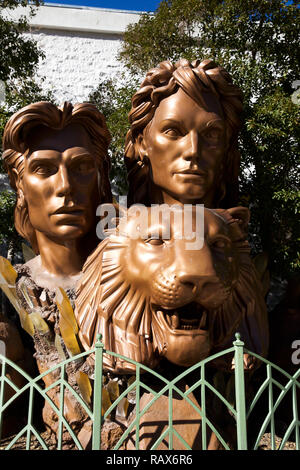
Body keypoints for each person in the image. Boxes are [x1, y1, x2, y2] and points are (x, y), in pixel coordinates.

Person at [2, 101, 111, 289]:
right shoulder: (10, 291)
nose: (65, 185)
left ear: (101, 176)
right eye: (44, 168)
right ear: (19, 182)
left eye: (82, 167)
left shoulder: (134, 279)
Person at [124, 58, 243, 208]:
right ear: (141, 143)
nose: (193, 151)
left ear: (226, 145)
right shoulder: (116, 229)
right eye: (173, 131)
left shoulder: (235, 227)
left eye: (211, 134)